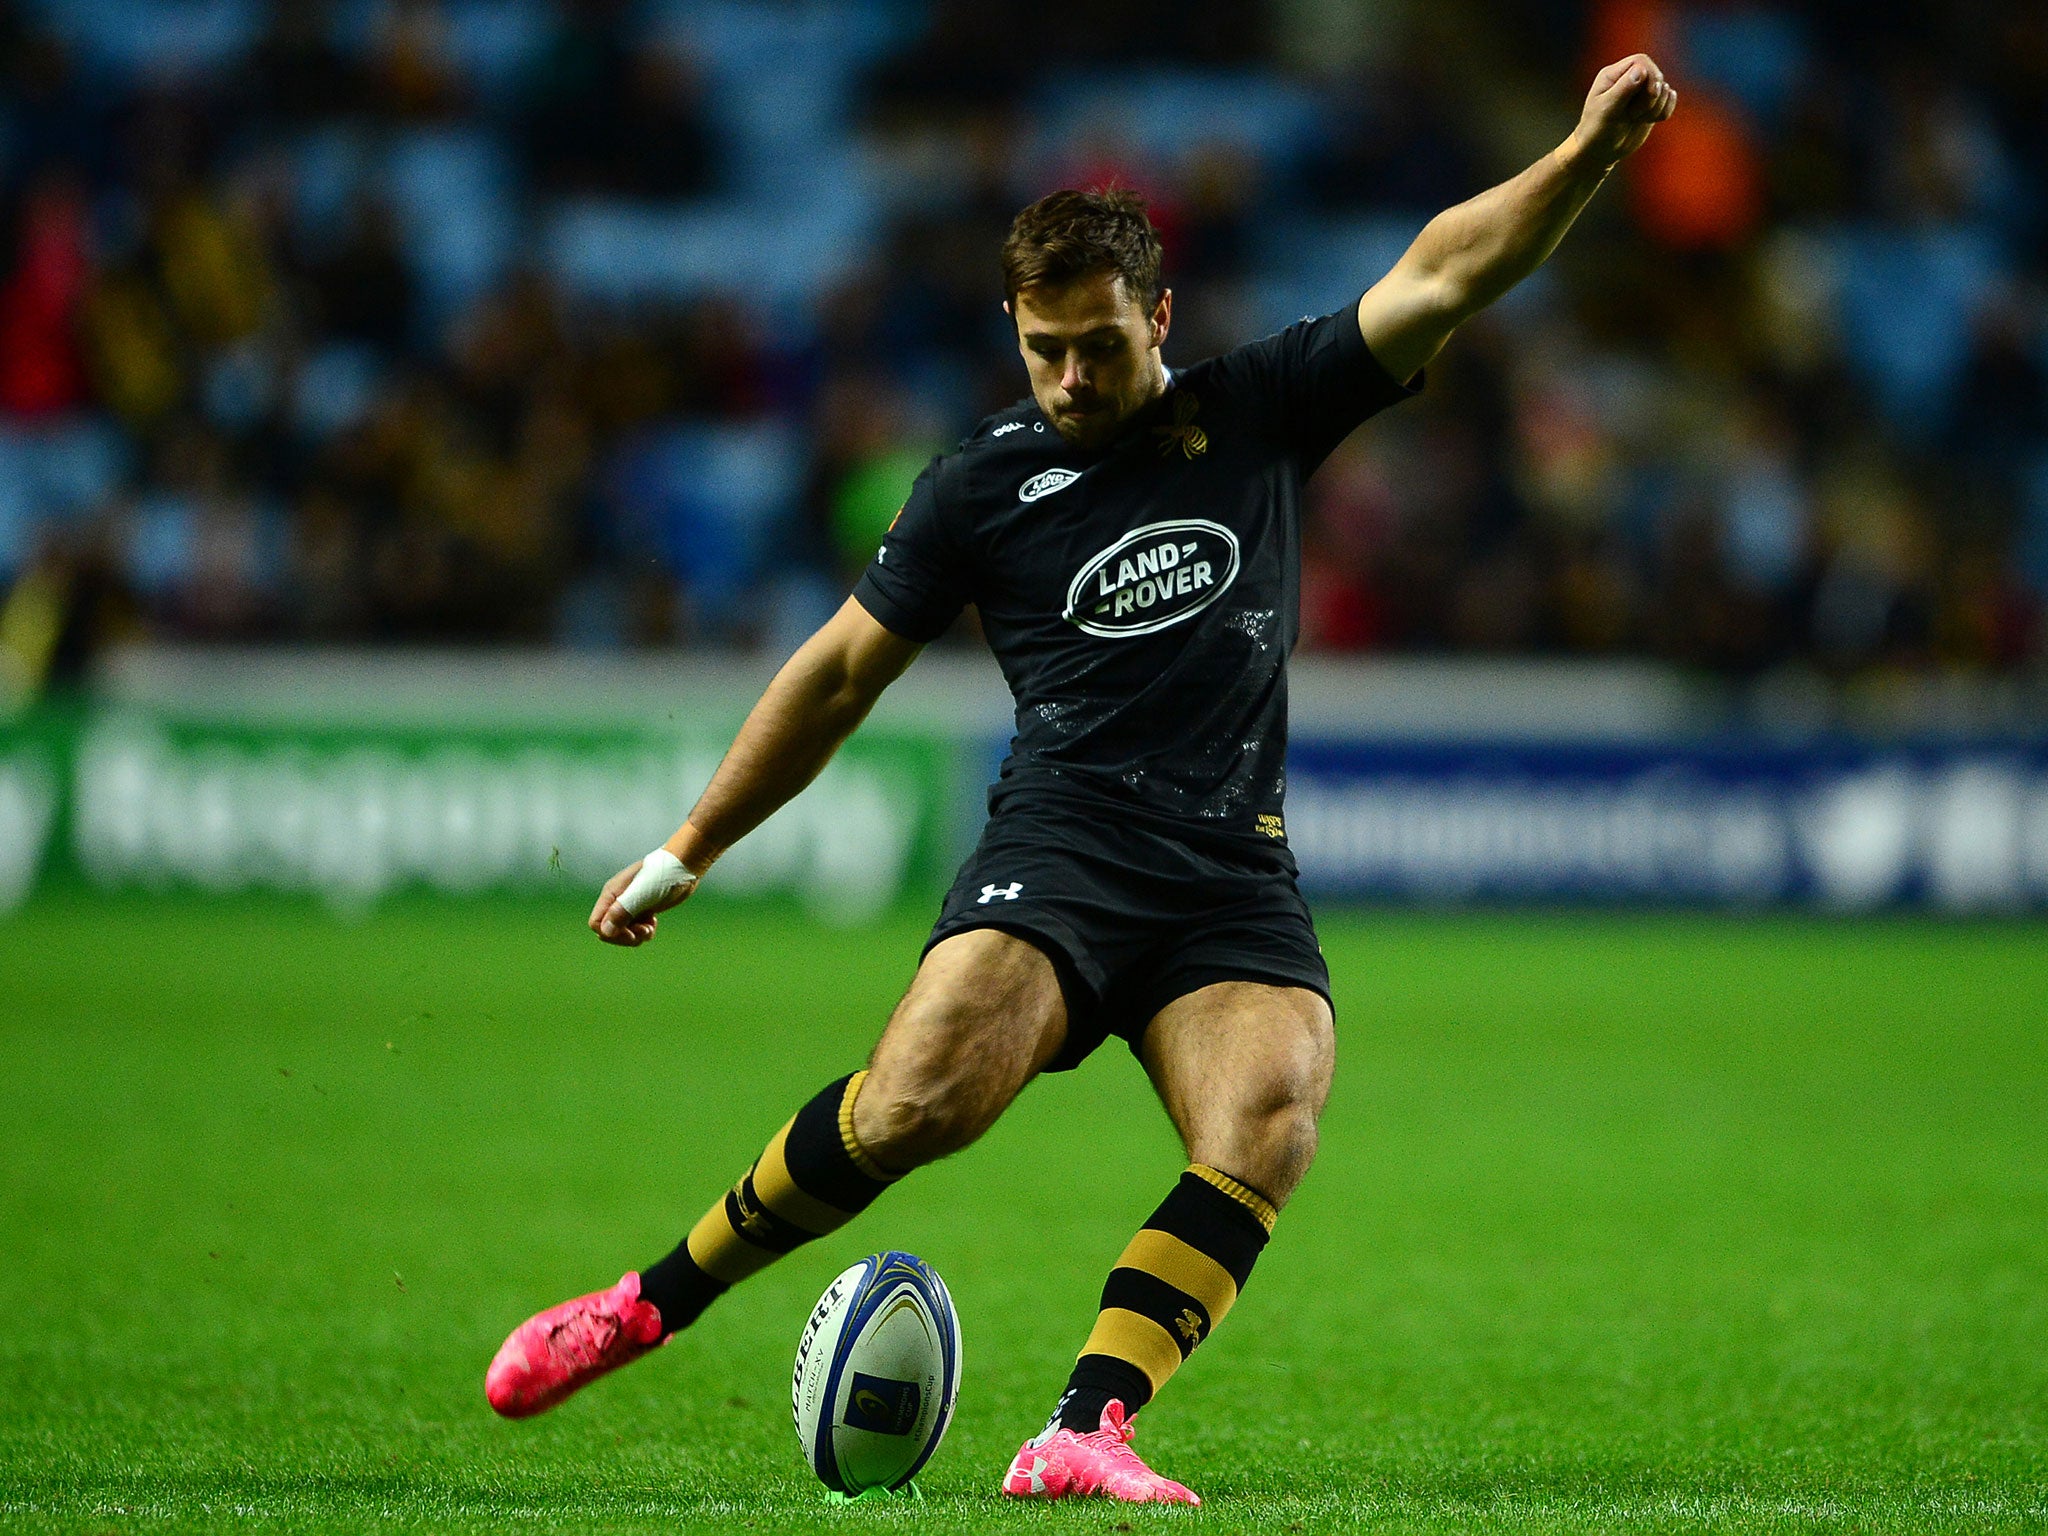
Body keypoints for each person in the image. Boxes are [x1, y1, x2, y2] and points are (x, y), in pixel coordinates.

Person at [485, 55, 1677, 1505]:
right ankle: (648, 1304)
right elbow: (839, 673)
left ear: (1158, 317)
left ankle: (1086, 1428)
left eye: (1097, 346)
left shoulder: (1260, 409)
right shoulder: (977, 489)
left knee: (1274, 1111)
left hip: (1228, 866)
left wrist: (1589, 152)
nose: (1067, 378)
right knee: (923, 1102)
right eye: (1042, 347)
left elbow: (1444, 272)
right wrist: (693, 845)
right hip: (1062, 847)